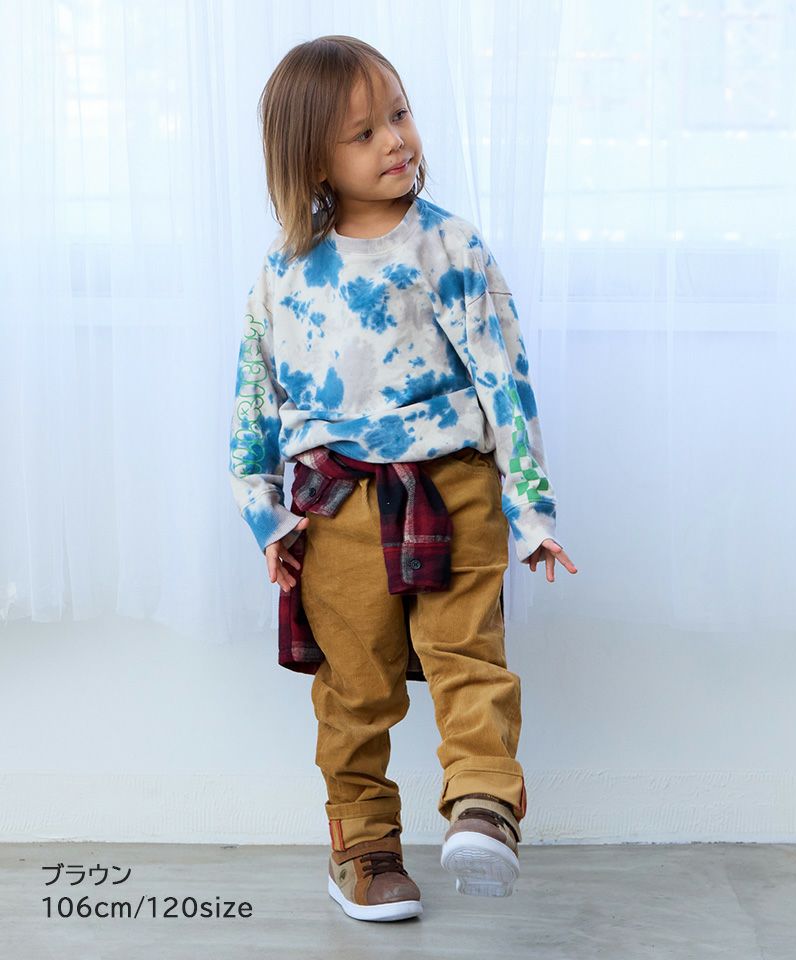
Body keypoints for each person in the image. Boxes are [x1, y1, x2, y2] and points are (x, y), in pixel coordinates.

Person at [228, 34, 578, 923]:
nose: (396, 140)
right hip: (336, 504)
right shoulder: (284, 269)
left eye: (400, 114)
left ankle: (485, 805)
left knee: (468, 653)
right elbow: (255, 400)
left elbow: (505, 380)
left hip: (453, 488)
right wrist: (266, 517)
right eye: (364, 132)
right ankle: (364, 846)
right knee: (357, 685)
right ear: (314, 159)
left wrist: (530, 511)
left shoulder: (451, 246)